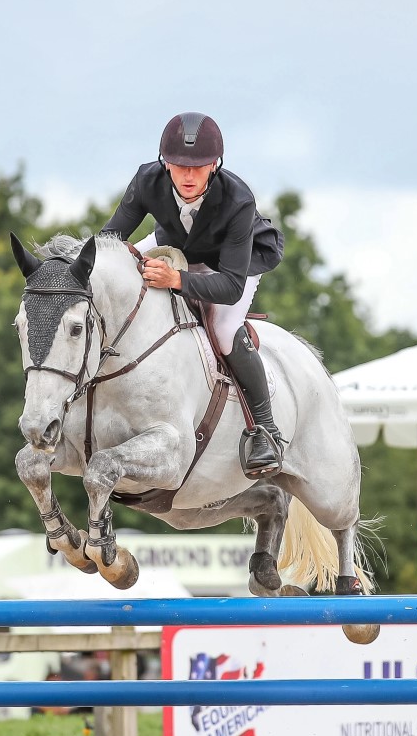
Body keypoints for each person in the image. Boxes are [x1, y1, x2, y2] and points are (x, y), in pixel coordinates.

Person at [102, 112, 288, 477]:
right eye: (179, 166)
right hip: (177, 243)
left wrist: (175, 280)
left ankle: (265, 430)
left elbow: (231, 287)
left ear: (215, 165)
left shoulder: (238, 199)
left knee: (222, 330)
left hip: (233, 262)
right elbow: (109, 240)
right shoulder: (146, 180)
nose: (188, 176)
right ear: (165, 162)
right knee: (111, 274)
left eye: (199, 167)